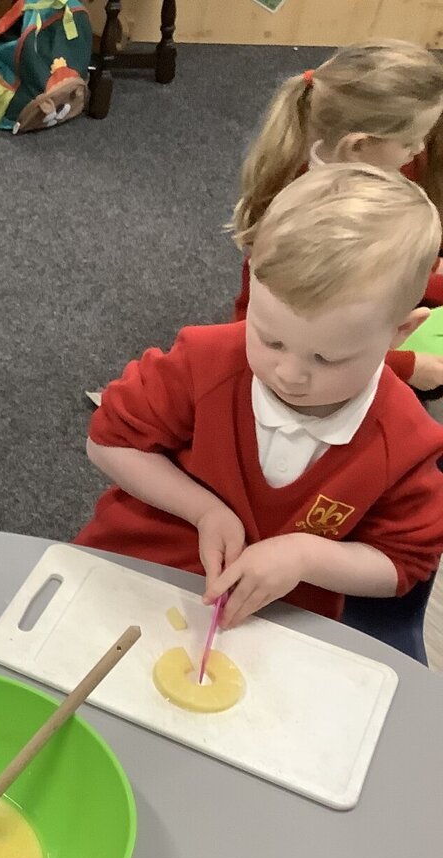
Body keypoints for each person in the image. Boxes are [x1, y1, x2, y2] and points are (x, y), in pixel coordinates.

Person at [79, 165, 443, 629]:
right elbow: (108, 440)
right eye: (270, 340)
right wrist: (204, 510)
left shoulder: (405, 441)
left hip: (271, 627)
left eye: (327, 359)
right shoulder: (205, 360)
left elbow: (405, 563)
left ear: (401, 333)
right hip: (133, 571)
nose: (289, 374)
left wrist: (305, 556)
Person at [230, 39, 443, 390]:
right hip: (311, 345)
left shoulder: (375, 163)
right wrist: (407, 366)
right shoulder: (307, 222)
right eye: (411, 141)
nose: (419, 149)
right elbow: (312, 343)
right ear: (358, 146)